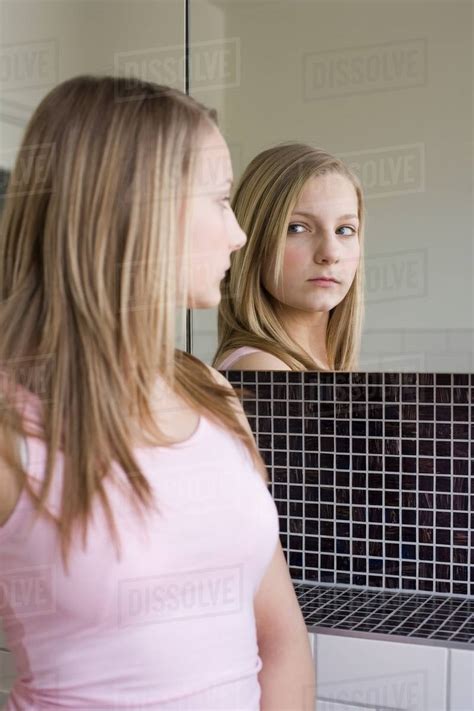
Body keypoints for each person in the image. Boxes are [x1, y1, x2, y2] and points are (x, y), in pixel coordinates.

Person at [0, 76, 315, 709]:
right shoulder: (11, 424)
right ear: (134, 207)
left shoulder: (215, 399)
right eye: (220, 200)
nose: (239, 235)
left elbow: (280, 641)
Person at [213, 143, 365, 371]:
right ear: (254, 240)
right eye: (297, 228)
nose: (330, 254)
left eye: (344, 230)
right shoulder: (261, 368)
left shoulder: (316, 366)